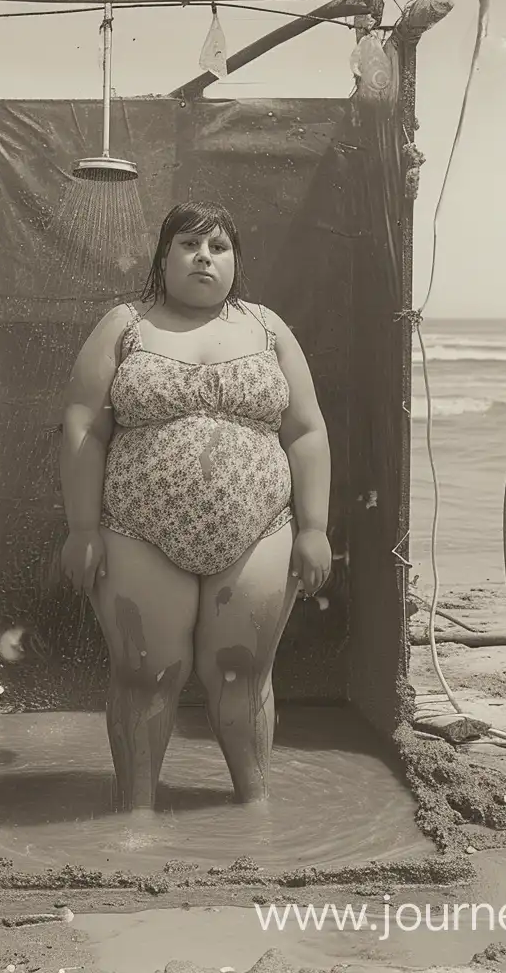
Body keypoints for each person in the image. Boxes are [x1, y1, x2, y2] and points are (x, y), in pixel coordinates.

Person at [59, 202, 332, 812]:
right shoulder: (124, 325)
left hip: (260, 530)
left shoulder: (267, 329)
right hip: (138, 530)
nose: (204, 256)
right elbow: (83, 426)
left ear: (235, 262)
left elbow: (307, 431)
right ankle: (135, 815)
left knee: (243, 673)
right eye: (189, 244)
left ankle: (254, 811)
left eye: (219, 247)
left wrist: (313, 527)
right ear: (164, 257)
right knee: (146, 675)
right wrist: (82, 528)